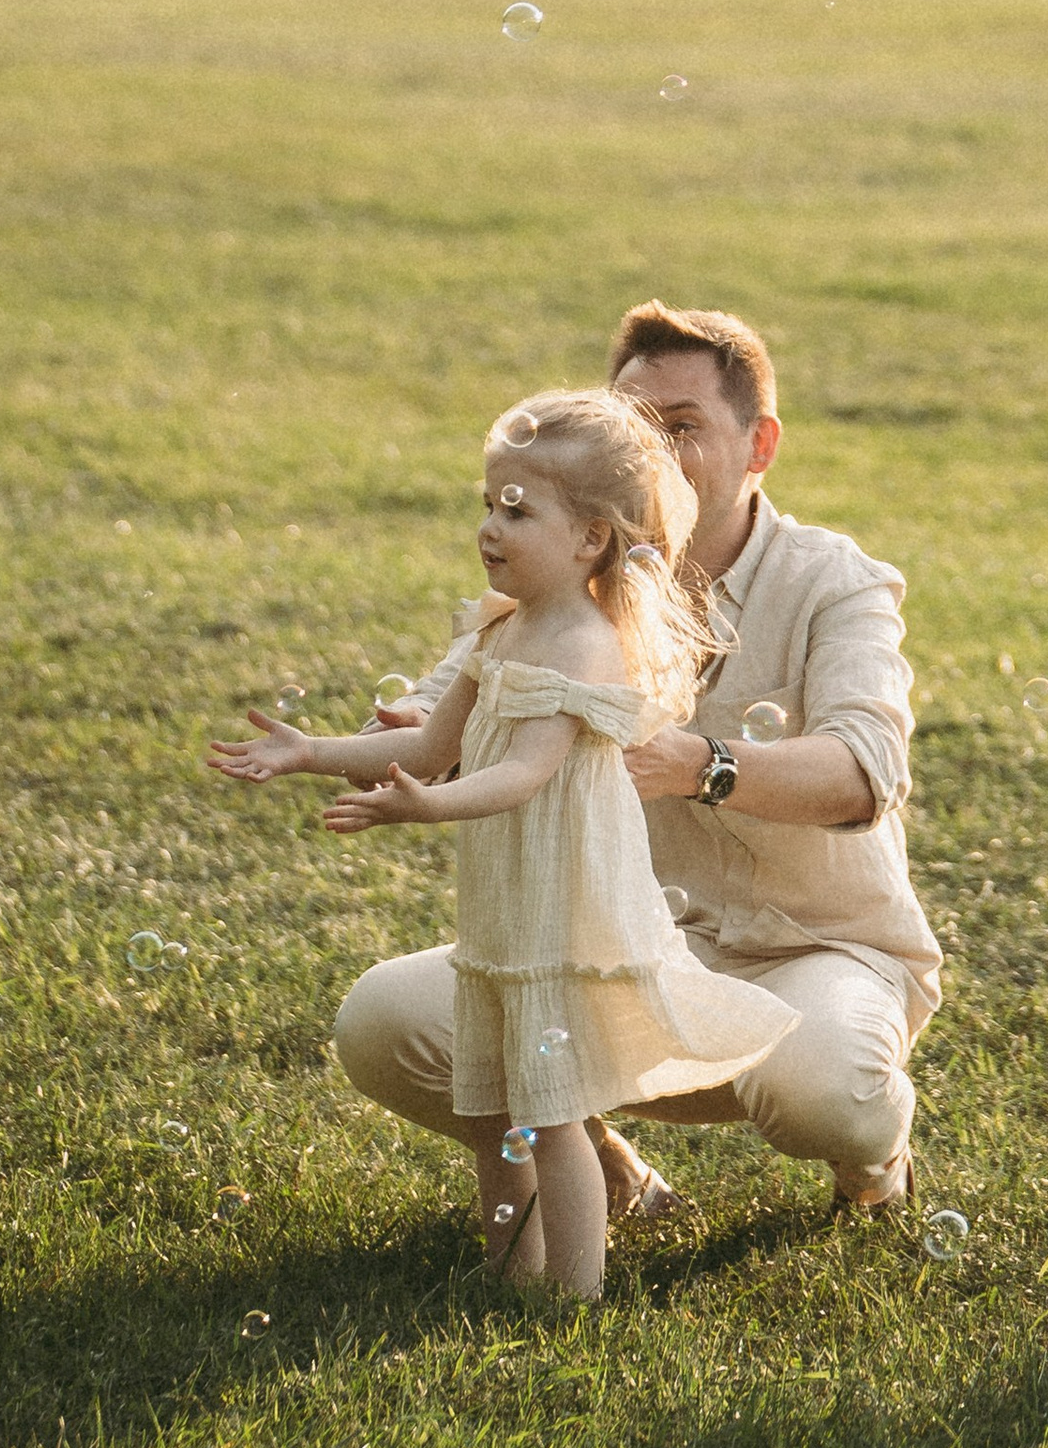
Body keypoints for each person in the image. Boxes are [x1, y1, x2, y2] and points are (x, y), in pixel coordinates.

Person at [334, 300, 940, 1218]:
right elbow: (442, 707)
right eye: (630, 427)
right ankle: (610, 1172)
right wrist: (397, 746)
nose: (650, 452)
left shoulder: (834, 581)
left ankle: (873, 1167)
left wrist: (699, 764)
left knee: (825, 1090)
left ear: (760, 445)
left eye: (681, 427)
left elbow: (863, 773)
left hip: (816, 950)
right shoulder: (559, 587)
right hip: (614, 955)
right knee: (382, 1023)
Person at [208, 387, 793, 1299]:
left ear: (592, 538)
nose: (490, 526)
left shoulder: (584, 647)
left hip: (564, 912)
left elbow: (522, 773)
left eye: (516, 511)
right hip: (507, 907)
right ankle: (509, 1274)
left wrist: (424, 810)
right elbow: (432, 746)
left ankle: (576, 1294)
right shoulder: (503, 624)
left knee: (554, 1116)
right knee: (497, 1109)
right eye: (488, 503)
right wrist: (312, 752)